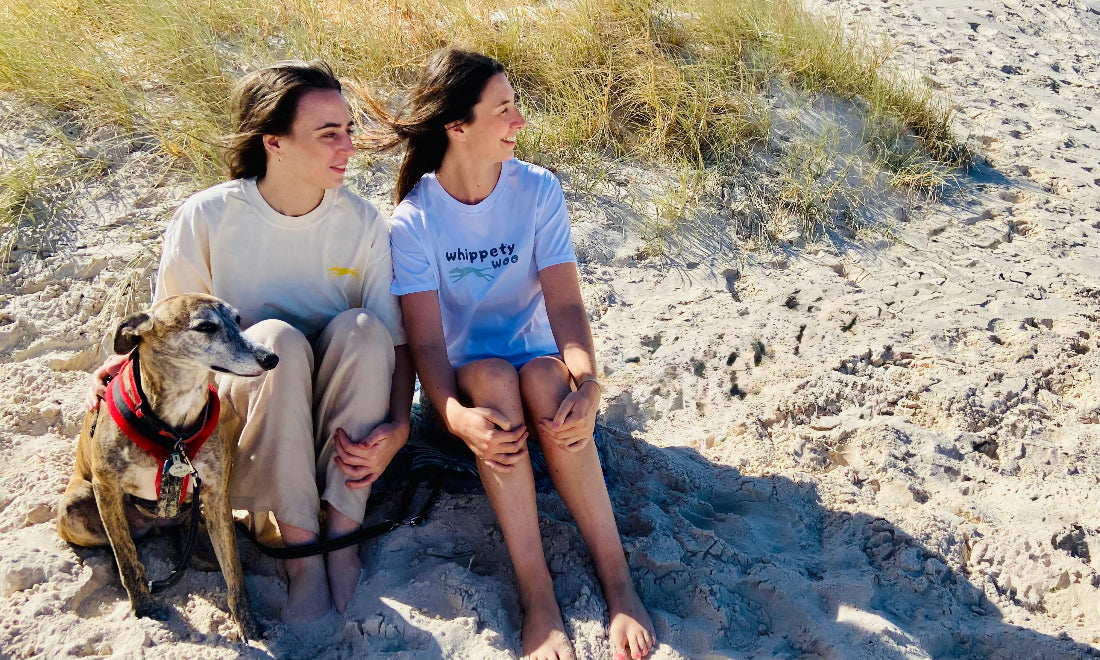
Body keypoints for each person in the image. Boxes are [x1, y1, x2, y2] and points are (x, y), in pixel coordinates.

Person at [85, 60, 414, 623]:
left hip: (337, 422)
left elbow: (396, 343)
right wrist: (119, 372)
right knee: (275, 340)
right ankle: (299, 553)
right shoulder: (209, 216)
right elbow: (170, 332)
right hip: (246, 422)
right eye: (328, 134)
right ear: (274, 143)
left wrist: (400, 426)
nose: (348, 146)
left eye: (349, 130)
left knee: (362, 330)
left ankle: (343, 536)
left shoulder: (362, 222)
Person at [369, 48, 656, 660]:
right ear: (457, 125)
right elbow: (426, 344)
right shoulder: (414, 220)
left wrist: (588, 380)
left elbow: (566, 306)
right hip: (472, 395)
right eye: (503, 110)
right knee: (497, 376)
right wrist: (454, 416)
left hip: (542, 376)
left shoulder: (537, 189)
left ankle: (618, 582)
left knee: (544, 380)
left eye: (515, 106)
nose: (518, 121)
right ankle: (538, 597)